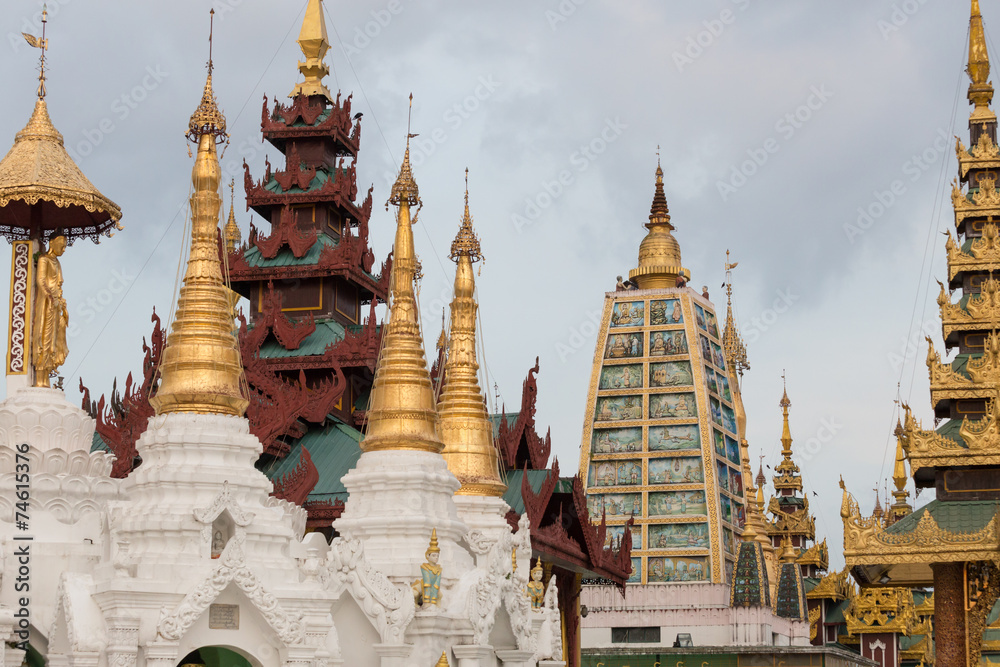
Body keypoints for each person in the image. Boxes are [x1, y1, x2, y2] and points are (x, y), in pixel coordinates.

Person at [32, 235, 69, 387]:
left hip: (55, 306)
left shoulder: (57, 262)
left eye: (65, 246)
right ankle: (40, 376)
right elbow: (41, 281)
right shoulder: (44, 260)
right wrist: (50, 297)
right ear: (52, 243)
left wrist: (61, 304)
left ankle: (47, 373)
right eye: (62, 245)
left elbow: (59, 285)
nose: (64, 249)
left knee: (54, 339)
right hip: (47, 304)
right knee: (44, 339)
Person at [420, 530, 443, 606]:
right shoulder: (424, 567)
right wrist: (427, 601)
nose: (436, 558)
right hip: (424, 590)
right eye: (433, 555)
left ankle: (435, 604)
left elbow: (436, 584)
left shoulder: (439, 569)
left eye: (437, 556)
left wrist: (433, 601)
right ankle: (426, 603)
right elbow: (427, 583)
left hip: (434, 593)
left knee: (440, 593)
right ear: (427, 556)